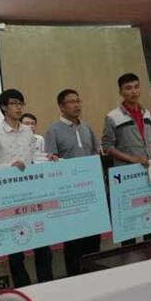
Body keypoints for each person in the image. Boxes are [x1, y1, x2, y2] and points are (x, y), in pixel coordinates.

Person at [0, 89, 53, 287]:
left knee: (42, 242)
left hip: (32, 191)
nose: (19, 107)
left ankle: (47, 285)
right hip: (9, 195)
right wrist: (10, 167)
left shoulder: (28, 131)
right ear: (3, 107)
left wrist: (48, 158)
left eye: (21, 103)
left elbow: (32, 158)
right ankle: (23, 288)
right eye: (14, 103)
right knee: (16, 246)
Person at [45, 88, 101, 276]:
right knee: (73, 241)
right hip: (69, 196)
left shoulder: (87, 128)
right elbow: (51, 163)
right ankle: (74, 277)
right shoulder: (53, 130)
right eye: (71, 101)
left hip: (91, 192)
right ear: (61, 106)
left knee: (93, 238)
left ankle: (94, 274)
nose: (77, 105)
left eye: (78, 100)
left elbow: (95, 154)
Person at [102, 73, 151, 168]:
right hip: (127, 170)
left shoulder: (146, 114)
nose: (134, 92)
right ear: (121, 92)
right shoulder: (112, 117)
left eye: (136, 87)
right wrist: (132, 158)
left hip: (149, 166)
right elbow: (107, 146)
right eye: (128, 88)